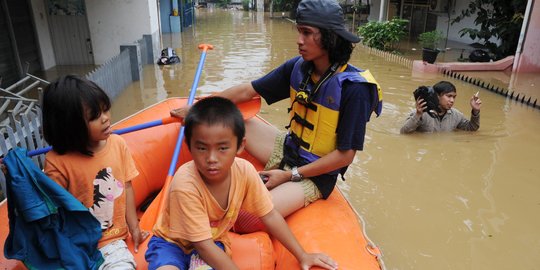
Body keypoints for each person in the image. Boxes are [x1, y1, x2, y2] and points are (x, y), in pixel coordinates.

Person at [170, 0, 383, 232]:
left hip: (316, 174)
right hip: (288, 147)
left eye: (307, 33)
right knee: (231, 123)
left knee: (246, 220)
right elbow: (246, 91)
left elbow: (344, 156)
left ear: (330, 37)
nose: (299, 40)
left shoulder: (356, 89)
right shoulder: (299, 67)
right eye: (299, 31)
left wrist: (288, 175)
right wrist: (199, 109)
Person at [146, 96, 338, 270]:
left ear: (240, 146)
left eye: (222, 148)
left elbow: (270, 215)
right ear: (190, 146)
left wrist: (302, 254)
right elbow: (202, 246)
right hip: (170, 243)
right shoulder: (185, 183)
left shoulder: (244, 171)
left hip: (213, 240)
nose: (212, 158)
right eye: (202, 148)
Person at [42, 75, 148, 269]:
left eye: (105, 109)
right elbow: (50, 208)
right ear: (70, 125)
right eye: (95, 116)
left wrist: (134, 226)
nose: (106, 118)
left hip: (111, 242)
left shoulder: (117, 144)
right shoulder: (57, 162)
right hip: (75, 246)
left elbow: (127, 186)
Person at [400, 80, 482, 133]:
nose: (452, 100)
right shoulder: (421, 113)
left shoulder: (456, 115)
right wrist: (417, 115)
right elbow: (404, 132)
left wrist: (475, 111)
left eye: (454, 97)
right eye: (449, 96)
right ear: (437, 96)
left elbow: (472, 129)